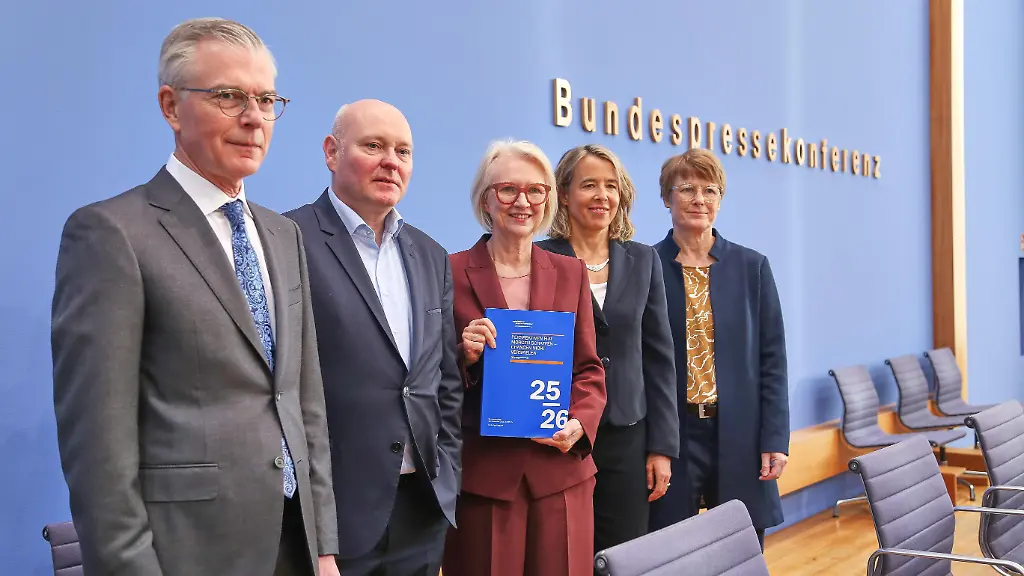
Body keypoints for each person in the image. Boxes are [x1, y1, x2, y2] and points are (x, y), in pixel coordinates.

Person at [51, 18, 340, 576]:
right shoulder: (112, 234)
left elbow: (304, 403)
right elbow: (98, 450)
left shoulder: (283, 236)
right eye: (229, 96)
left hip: (293, 546)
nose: (254, 118)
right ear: (170, 106)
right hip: (186, 553)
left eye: (266, 99)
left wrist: (323, 544)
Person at [284, 99, 463, 576]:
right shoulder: (287, 238)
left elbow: (442, 380)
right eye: (374, 146)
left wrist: (447, 473)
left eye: (403, 151)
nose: (391, 161)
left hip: (421, 511)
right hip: (335, 517)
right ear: (331, 152)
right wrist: (312, 523)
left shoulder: (430, 254)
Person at [442, 139, 607, 576]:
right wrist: (466, 355)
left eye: (536, 190)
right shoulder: (450, 270)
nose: (523, 202)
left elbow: (589, 370)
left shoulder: (570, 272)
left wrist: (579, 422)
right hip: (486, 479)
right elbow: (430, 374)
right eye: (508, 189)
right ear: (485, 199)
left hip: (561, 474)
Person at [536, 144, 679, 556]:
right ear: (563, 194)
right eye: (589, 185)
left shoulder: (643, 259)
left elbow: (659, 359)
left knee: (625, 555)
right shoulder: (540, 257)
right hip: (561, 433)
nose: (602, 196)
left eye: (611, 186)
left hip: (627, 435)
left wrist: (662, 447)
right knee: (563, 553)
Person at [647, 148, 790, 550]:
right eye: (687, 189)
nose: (699, 199)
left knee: (740, 548)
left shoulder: (751, 266)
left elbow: (772, 359)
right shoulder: (645, 265)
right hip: (673, 434)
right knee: (668, 549)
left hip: (739, 431)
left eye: (710, 190)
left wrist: (775, 437)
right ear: (666, 197)